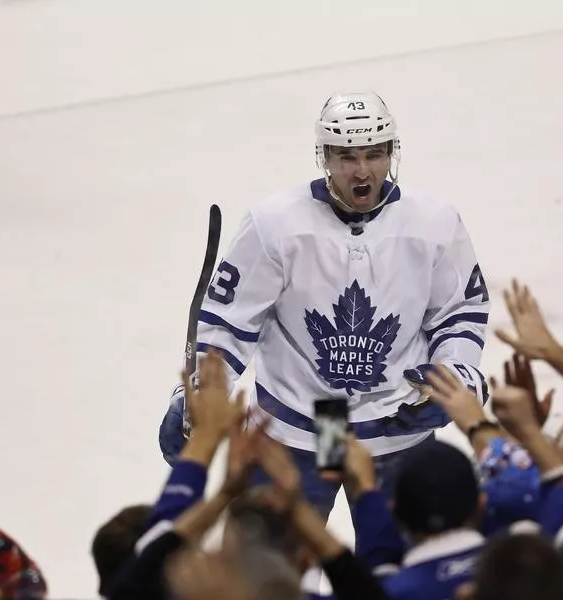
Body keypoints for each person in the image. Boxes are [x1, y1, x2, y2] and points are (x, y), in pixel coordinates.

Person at [159, 91, 490, 516]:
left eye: (375, 154)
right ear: (324, 157)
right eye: (347, 156)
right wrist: (199, 394)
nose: (362, 170)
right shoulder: (275, 224)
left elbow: (459, 311)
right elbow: (228, 323)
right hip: (303, 430)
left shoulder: (435, 221)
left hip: (394, 427)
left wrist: (454, 379)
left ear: (392, 152)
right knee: (272, 576)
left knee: (390, 575)